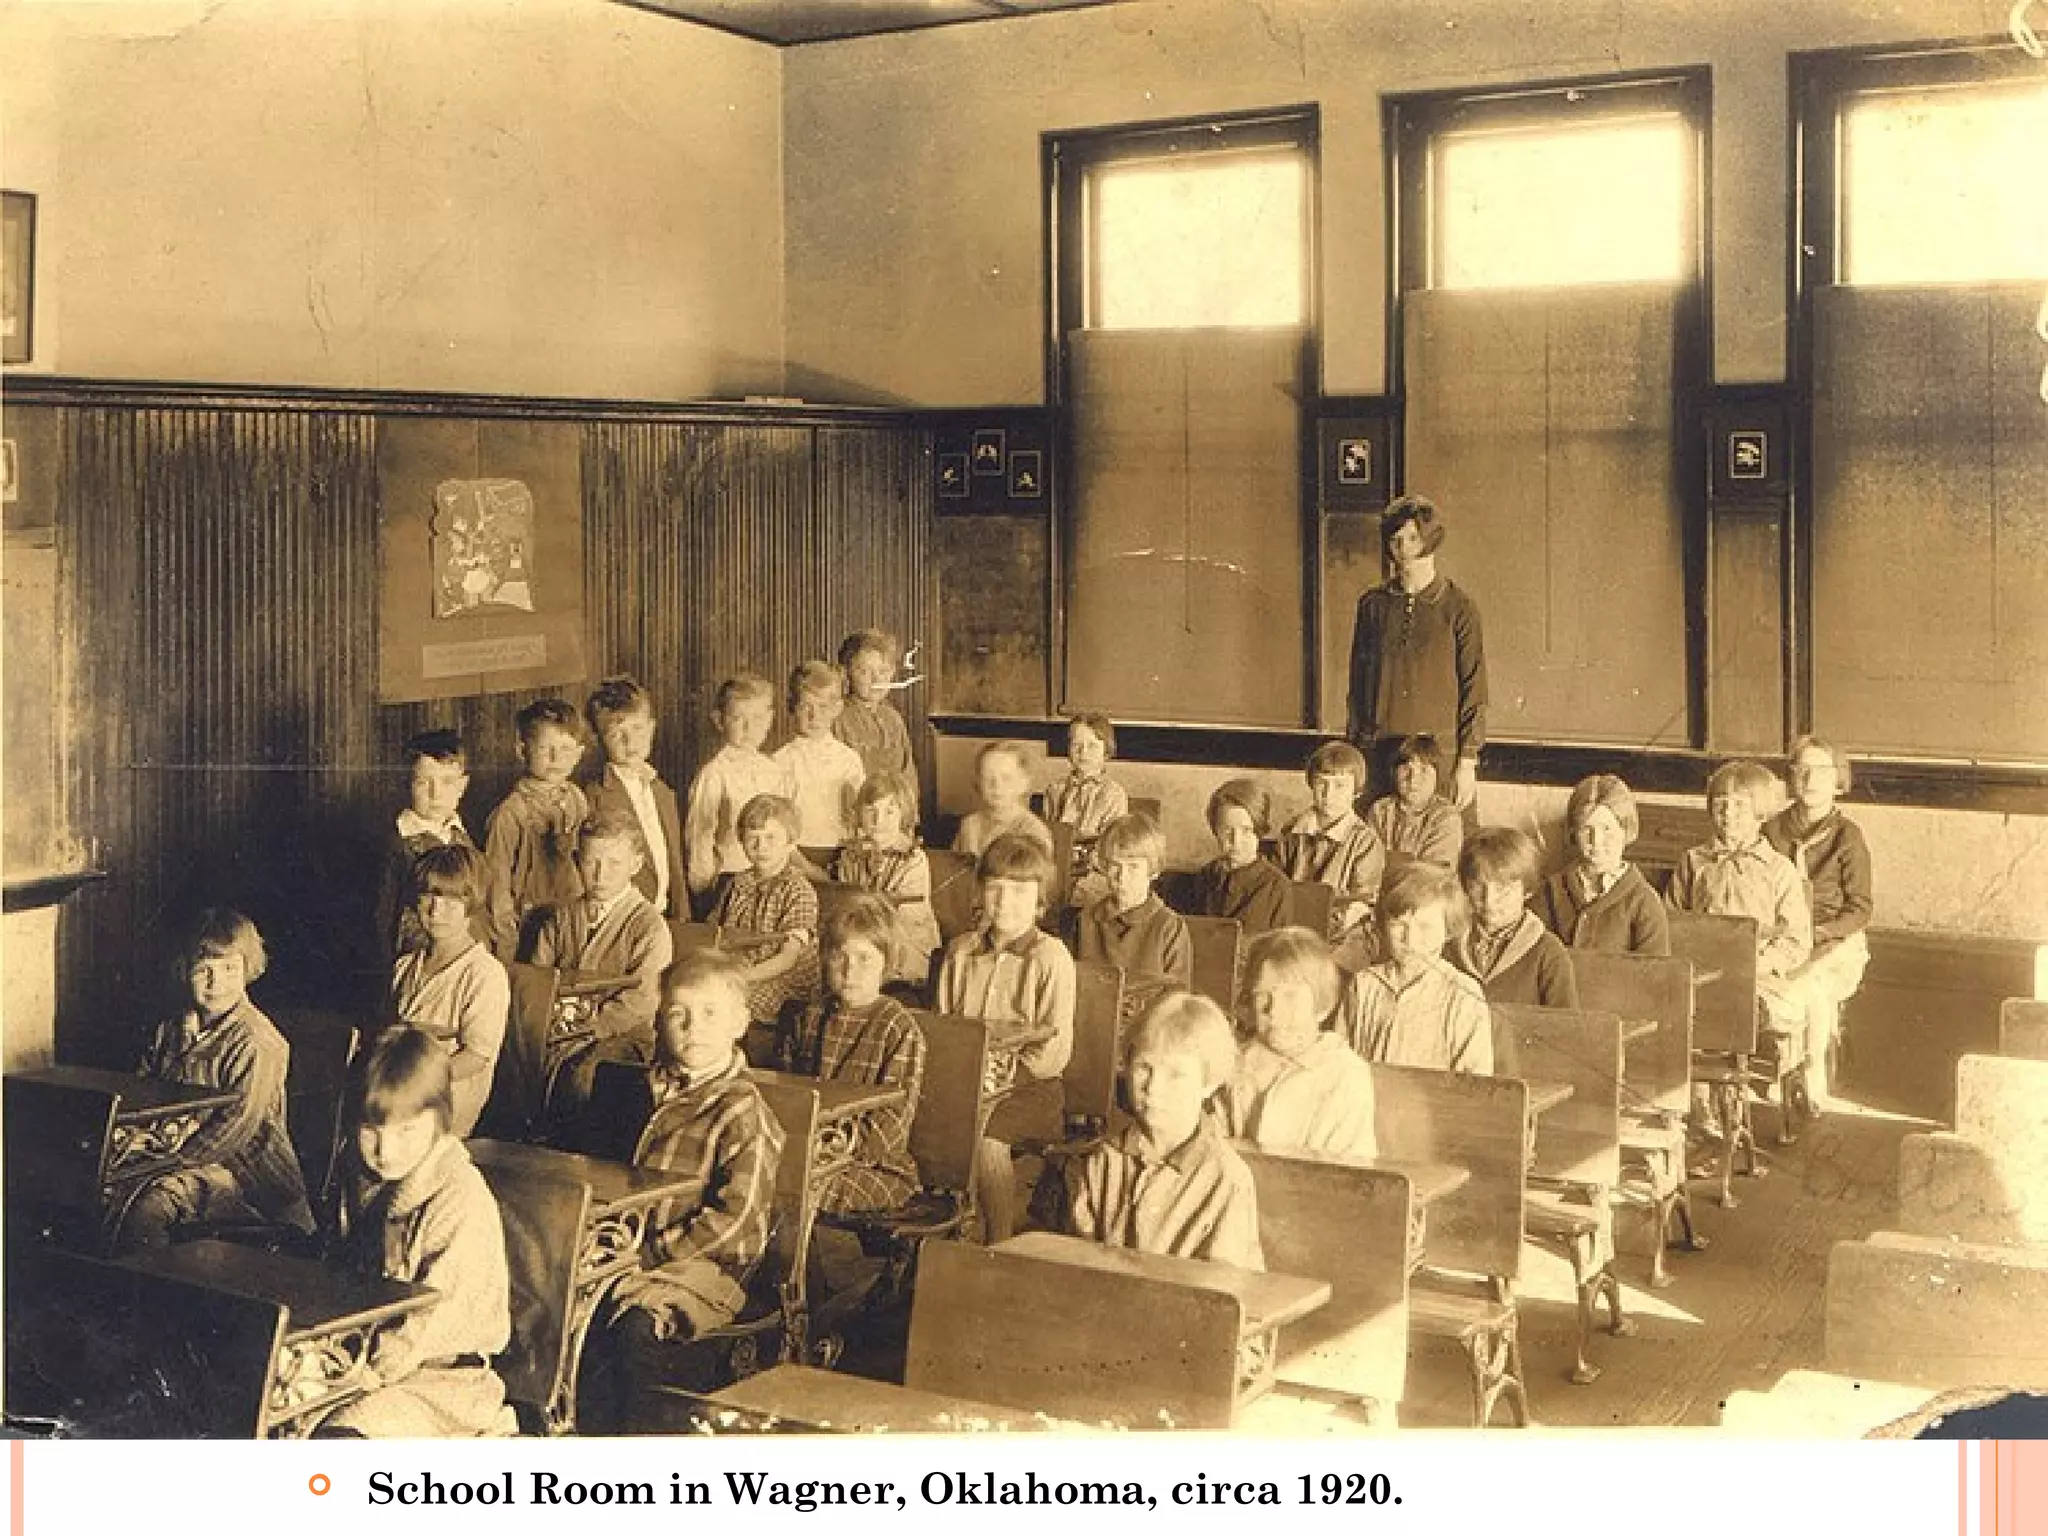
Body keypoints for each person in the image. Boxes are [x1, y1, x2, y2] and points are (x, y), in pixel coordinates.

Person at [592, 951, 784, 1423]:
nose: (692, 1027)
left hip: (706, 1265)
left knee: (634, 1330)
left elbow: (736, 1222)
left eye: (710, 1014)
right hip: (637, 1251)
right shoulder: (650, 1090)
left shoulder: (742, 1111)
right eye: (679, 1014)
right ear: (660, 1021)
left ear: (740, 1022)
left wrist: (654, 1253)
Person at [318, 1028, 514, 1438]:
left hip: (441, 1384)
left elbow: (423, 1326)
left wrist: (338, 1383)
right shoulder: (362, 1179)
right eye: (371, 1130)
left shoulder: (459, 1197)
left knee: (335, 1441)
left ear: (441, 1120)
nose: (384, 1151)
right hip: (366, 1362)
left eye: (406, 1131)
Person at [119, 909, 313, 1249]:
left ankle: (160, 1295)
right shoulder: (170, 1030)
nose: (216, 983)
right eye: (203, 970)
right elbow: (141, 1093)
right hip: (181, 1159)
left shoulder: (258, 1042)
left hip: (249, 1177)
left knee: (147, 1211)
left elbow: (237, 1127)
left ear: (248, 970)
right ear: (185, 970)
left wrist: (164, 1165)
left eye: (229, 969)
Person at [935, 833, 1075, 1244]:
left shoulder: (1050, 957)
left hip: (1031, 1089)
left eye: (1018, 892)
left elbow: (1054, 1050)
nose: (1004, 903)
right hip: (968, 1081)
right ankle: (944, 1234)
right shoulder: (960, 953)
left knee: (987, 1140)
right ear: (980, 892)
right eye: (995, 889)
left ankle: (998, 1241)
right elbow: (946, 1028)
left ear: (1039, 901)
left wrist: (1005, 1074)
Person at [1068, 991, 1263, 1270]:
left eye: (1176, 1074)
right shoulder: (1105, 1159)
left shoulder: (1227, 1178)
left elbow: (1222, 1291)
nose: (1153, 1088)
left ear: (1209, 1083)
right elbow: (1079, 1260)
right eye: (1144, 1068)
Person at [775, 894, 927, 1214]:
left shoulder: (898, 1029)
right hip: (807, 1156)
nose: (849, 970)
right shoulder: (807, 1017)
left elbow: (889, 1136)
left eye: (864, 958)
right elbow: (785, 1099)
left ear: (888, 963)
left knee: (802, 1186)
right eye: (839, 956)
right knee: (767, 1178)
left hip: (876, 1168)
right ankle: (796, 1263)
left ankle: (800, 1263)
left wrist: (824, 1152)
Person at [1669, 760, 1812, 1096]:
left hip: (1757, 975)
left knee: (1755, 1009)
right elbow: (1672, 918)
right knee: (1684, 1009)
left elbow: (1796, 939)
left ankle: (1750, 1079)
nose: (1728, 814)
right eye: (1720, 805)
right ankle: (1696, 1096)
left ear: (1760, 813)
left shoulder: (1779, 870)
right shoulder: (1694, 861)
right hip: (1703, 973)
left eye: (1739, 806)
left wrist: (1762, 962)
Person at [528, 812, 675, 1119]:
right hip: (558, 1028)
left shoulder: (649, 925)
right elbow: (536, 978)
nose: (600, 874)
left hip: (621, 1035)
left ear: (636, 864)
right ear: (577, 859)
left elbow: (643, 1000)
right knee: (518, 1063)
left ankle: (574, 1154)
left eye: (614, 864)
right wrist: (553, 1021)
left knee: (584, 1075)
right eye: (591, 862)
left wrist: (588, 1027)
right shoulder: (563, 917)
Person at [1346, 493, 1487, 810]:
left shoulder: (1459, 608)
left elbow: (1475, 690)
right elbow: (1357, 689)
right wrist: (1356, 752)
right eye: (1396, 539)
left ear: (1431, 540)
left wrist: (1466, 762)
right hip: (1378, 756)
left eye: (1413, 537)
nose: (1404, 548)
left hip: (1438, 759)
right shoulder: (1371, 606)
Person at [1764, 735, 1874, 1105]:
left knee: (1814, 983)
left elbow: (1860, 908)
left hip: (1835, 937)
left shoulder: (1848, 836)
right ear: (1791, 778)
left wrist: (1820, 933)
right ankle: (1785, 1061)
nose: (1811, 780)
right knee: (1777, 982)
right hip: (1783, 936)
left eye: (1822, 772)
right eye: (1802, 770)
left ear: (1837, 780)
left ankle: (1810, 1068)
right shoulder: (1772, 831)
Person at [1219, 927, 1377, 1161]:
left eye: (1290, 996)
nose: (1274, 1010)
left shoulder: (1343, 1074)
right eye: (1262, 995)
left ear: (1322, 1005)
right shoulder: (1235, 1065)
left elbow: (1345, 1172)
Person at [390, 843, 510, 1139]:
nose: (435, 911)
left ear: (472, 903)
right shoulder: (405, 966)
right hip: (401, 1092)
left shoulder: (483, 973)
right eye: (427, 897)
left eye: (451, 901)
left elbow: (476, 1057)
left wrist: (416, 1085)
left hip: (447, 1101)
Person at [1336, 863, 1492, 1074]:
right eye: (1399, 925)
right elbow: (1340, 1063)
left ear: (1447, 930)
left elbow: (1475, 1082)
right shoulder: (1364, 984)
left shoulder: (1463, 995)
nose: (1411, 940)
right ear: (1383, 925)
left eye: (1426, 927)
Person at [483, 699, 588, 959]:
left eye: (565, 749)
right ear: (522, 750)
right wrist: (506, 940)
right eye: (544, 748)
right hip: (530, 923)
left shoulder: (577, 799)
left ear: (578, 754)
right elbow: (497, 885)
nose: (555, 758)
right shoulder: (510, 813)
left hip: (571, 918)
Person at [683, 673, 794, 909]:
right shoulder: (714, 773)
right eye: (737, 718)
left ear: (769, 720)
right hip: (729, 877)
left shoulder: (774, 770)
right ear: (719, 720)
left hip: (772, 874)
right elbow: (700, 836)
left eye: (756, 718)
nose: (748, 727)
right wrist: (703, 887)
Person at [582, 675, 686, 920]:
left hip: (666, 917)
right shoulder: (594, 797)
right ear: (598, 740)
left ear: (651, 728)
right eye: (616, 734)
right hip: (621, 922)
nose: (630, 742)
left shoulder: (662, 791)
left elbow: (675, 865)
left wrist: (683, 917)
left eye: (637, 729)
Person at [711, 794, 821, 1022]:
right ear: (741, 840)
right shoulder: (737, 883)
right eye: (753, 838)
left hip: (785, 977)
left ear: (790, 843)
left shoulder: (798, 890)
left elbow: (787, 958)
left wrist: (742, 976)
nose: (761, 847)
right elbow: (715, 934)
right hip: (742, 968)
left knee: (736, 1004)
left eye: (771, 838)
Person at [1534, 774, 1671, 956]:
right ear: (1573, 833)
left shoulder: (1644, 901)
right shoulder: (1551, 890)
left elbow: (1655, 975)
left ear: (1625, 831)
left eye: (1607, 829)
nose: (1596, 841)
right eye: (1586, 830)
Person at [374, 728, 478, 968]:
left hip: (463, 950)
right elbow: (383, 918)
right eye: (423, 782)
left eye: (447, 782)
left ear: (463, 785)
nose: (435, 794)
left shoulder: (462, 838)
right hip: (417, 955)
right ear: (407, 783)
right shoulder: (398, 845)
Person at [1275, 739, 1384, 965]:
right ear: (1311, 785)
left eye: (1340, 786)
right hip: (1292, 926)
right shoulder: (1292, 833)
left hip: (1343, 934)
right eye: (1321, 784)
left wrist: (1328, 931)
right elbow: (1276, 885)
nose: (1329, 794)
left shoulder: (1365, 841)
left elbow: (1362, 904)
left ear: (1357, 791)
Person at [1076, 810, 1192, 1021]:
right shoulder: (1086, 919)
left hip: (1148, 1029)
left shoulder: (1169, 926)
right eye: (1114, 866)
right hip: (1094, 1024)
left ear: (1154, 871)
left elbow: (1176, 999)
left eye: (1133, 867)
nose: (1122, 877)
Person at [1451, 827, 1579, 1009]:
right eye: (1478, 886)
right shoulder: (1448, 944)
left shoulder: (1548, 953)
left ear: (1527, 890)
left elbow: (1565, 1028)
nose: (1489, 900)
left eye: (1503, 889)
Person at [834, 769, 941, 986]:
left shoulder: (913, 858)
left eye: (889, 812)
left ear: (904, 815)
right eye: (870, 810)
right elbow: (846, 903)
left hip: (904, 941)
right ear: (859, 814)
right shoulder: (850, 855)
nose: (878, 820)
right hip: (863, 936)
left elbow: (907, 916)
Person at [774, 660, 867, 867]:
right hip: (796, 857)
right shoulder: (781, 761)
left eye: (823, 706)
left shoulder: (849, 760)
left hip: (843, 855)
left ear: (838, 708)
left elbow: (861, 814)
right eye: (806, 706)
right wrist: (805, 867)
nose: (814, 716)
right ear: (791, 707)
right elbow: (776, 825)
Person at [1044, 712, 1129, 907]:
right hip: (1056, 866)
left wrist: (1079, 863)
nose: (1083, 753)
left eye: (1092, 746)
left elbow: (1111, 847)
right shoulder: (1054, 790)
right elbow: (1047, 836)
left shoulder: (1113, 794)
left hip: (1093, 870)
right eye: (1076, 745)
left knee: (1086, 895)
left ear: (1106, 751)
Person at [1196, 778, 1292, 938]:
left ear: (1259, 830)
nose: (1236, 841)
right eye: (1227, 831)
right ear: (1215, 831)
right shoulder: (1206, 876)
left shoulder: (1276, 886)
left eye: (1246, 831)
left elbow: (1279, 949)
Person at [1366, 733, 1464, 878]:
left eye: (1424, 770)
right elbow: (1367, 863)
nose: (1413, 779)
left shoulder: (1446, 817)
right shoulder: (1380, 809)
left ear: (1437, 775)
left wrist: (1387, 862)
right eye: (1406, 769)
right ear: (1394, 772)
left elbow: (1433, 873)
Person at [833, 628, 917, 785]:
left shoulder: (893, 719)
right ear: (846, 673)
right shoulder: (838, 718)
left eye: (883, 671)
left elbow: (908, 777)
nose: (876, 679)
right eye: (864, 671)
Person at [953, 740, 1055, 858]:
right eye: (987, 778)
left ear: (1024, 783)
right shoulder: (970, 825)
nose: (997, 786)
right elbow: (955, 869)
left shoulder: (1033, 832)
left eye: (1006, 778)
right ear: (978, 783)